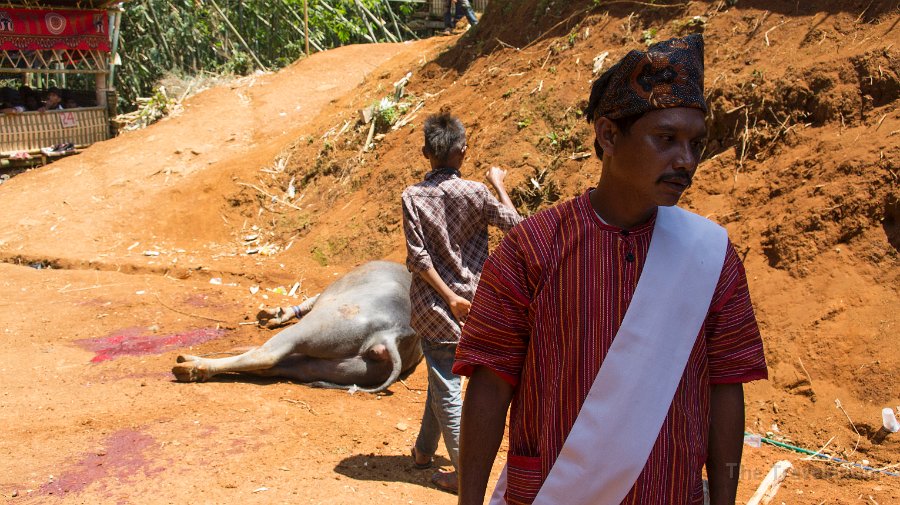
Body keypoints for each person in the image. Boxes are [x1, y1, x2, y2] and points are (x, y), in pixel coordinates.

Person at [454, 34, 768, 505]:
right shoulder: (532, 249)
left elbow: (726, 386)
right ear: (608, 135)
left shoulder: (710, 256)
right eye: (666, 139)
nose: (685, 161)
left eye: (695, 143)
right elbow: (490, 384)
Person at [402, 110, 521, 494]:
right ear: (463, 152)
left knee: (445, 385)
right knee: (443, 379)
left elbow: (418, 259)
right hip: (475, 306)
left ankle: (464, 475)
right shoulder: (476, 192)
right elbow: (516, 226)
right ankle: (424, 452)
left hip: (435, 307)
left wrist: (448, 296)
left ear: (425, 152)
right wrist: (498, 184)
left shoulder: (412, 197)